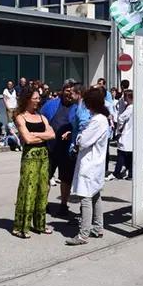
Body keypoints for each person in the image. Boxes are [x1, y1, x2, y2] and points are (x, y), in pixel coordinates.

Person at [65, 87, 111, 246]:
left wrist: (78, 136)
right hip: (95, 163)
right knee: (96, 195)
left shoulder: (97, 120)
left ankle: (83, 234)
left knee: (86, 197)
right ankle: (98, 227)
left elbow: (84, 141)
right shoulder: (102, 118)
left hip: (90, 164)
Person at [11, 86, 56, 239]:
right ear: (27, 99)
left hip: (44, 156)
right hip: (30, 157)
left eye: (39, 98)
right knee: (27, 190)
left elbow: (52, 134)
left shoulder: (41, 117)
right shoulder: (20, 117)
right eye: (35, 98)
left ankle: (40, 224)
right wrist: (42, 136)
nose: (38, 100)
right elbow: (27, 139)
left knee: (43, 189)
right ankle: (21, 227)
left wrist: (36, 134)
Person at [41, 80, 83, 217]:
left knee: (66, 179)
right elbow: (41, 119)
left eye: (72, 91)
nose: (69, 94)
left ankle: (64, 205)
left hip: (67, 150)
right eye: (67, 90)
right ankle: (43, 204)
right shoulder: (51, 104)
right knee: (45, 177)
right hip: (50, 147)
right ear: (62, 90)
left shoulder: (78, 107)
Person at [111, 89, 134, 180]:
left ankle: (117, 172)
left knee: (121, 154)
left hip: (126, 133)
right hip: (131, 134)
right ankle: (130, 172)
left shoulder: (130, 108)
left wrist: (119, 129)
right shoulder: (134, 107)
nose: (124, 98)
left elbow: (121, 118)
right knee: (130, 155)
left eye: (125, 96)